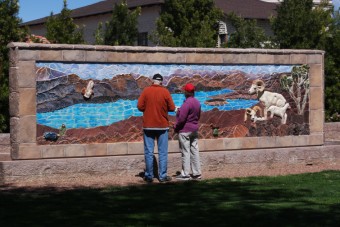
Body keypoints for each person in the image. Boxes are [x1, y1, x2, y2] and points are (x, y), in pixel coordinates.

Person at [137, 73, 176, 183]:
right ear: (161, 82)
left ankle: (149, 176)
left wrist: (147, 108)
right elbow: (172, 108)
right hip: (162, 126)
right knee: (162, 152)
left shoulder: (146, 91)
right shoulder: (165, 92)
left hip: (148, 126)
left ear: (152, 81)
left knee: (149, 152)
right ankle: (162, 176)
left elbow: (140, 106)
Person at [174, 83, 202, 180]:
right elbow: (198, 116)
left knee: (185, 152)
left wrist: (176, 126)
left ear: (186, 92)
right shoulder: (197, 102)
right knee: (195, 151)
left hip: (185, 130)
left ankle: (185, 174)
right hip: (194, 129)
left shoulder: (186, 103)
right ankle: (197, 173)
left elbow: (182, 119)